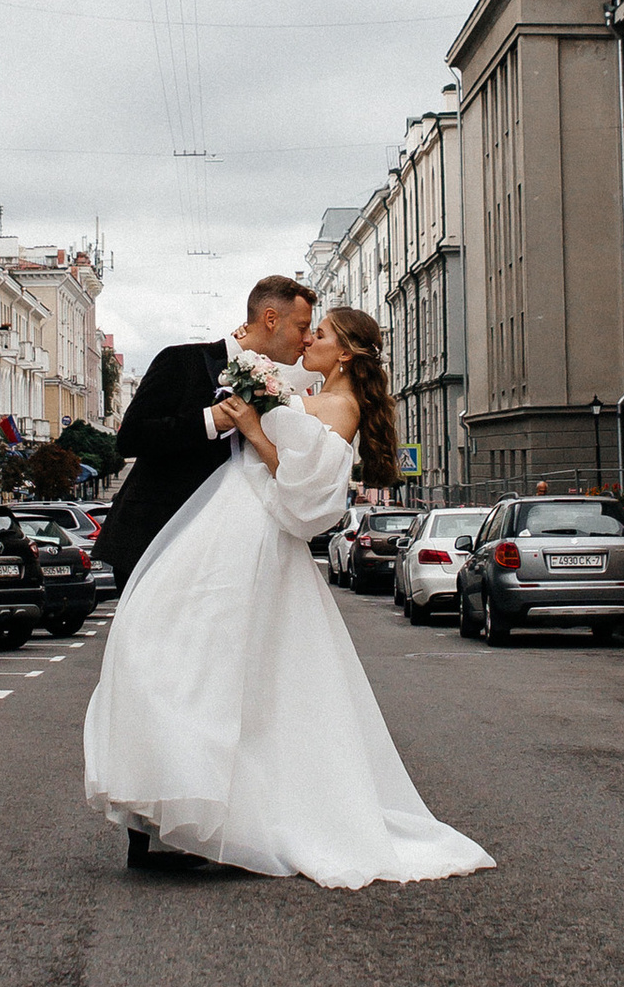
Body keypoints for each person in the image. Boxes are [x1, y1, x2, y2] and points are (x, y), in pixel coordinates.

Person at [83, 303, 492, 892]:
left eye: (318, 334)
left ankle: (198, 819)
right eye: (305, 328)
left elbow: (312, 492)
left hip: (253, 538)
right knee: (169, 654)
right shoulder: (297, 383)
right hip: (215, 527)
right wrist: (244, 403)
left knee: (215, 673)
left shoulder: (339, 405)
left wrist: (252, 425)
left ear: (345, 352)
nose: (308, 341)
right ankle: (167, 811)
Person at [94, 275, 316, 598]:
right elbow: (130, 437)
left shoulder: (278, 386)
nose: (307, 339)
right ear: (271, 319)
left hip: (218, 556)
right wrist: (210, 420)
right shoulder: (181, 362)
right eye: (302, 327)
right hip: (154, 542)